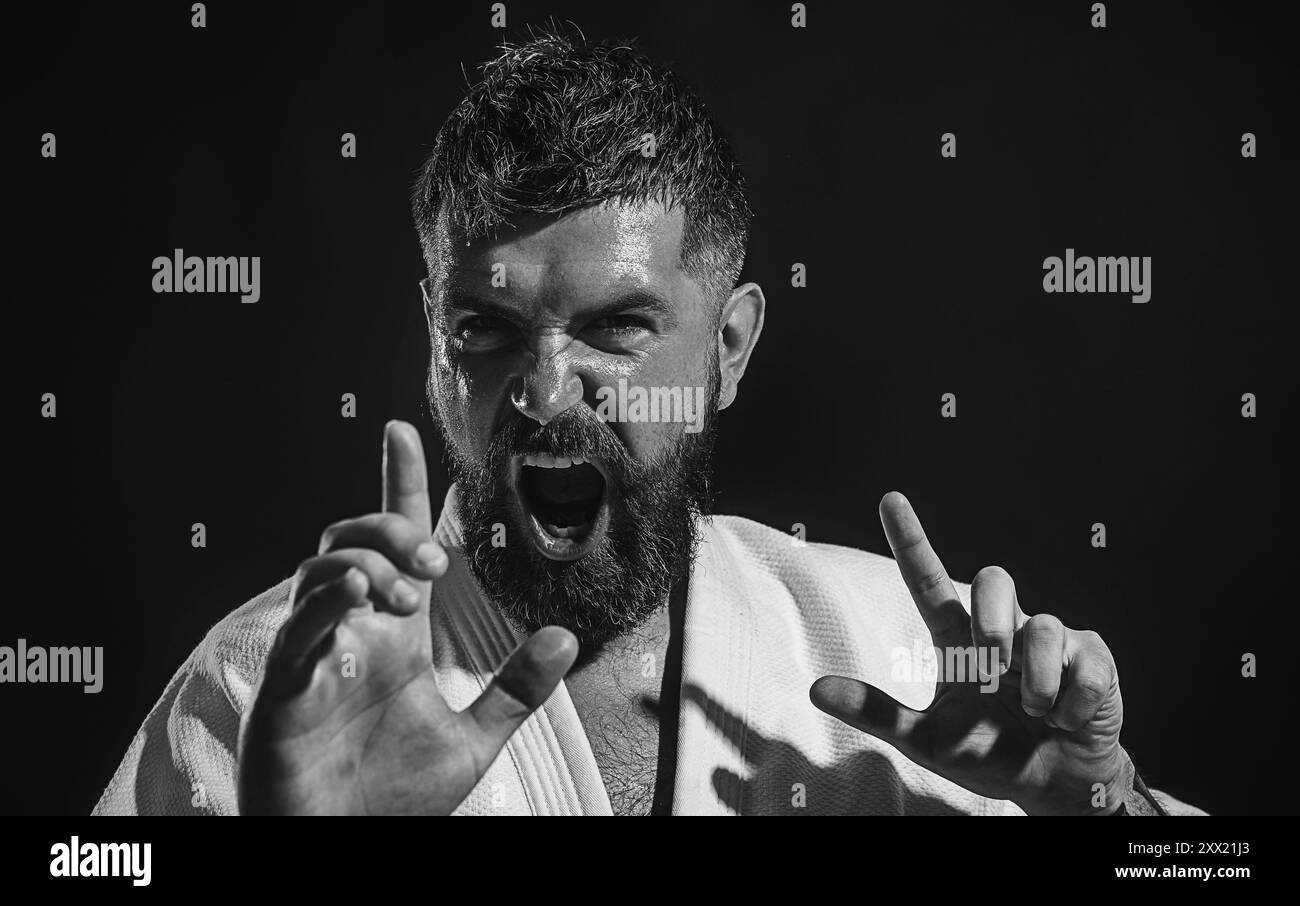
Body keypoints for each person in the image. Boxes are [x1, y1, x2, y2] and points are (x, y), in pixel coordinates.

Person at [94, 30, 1202, 816]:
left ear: (726, 348)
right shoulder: (266, 683)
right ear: (432, 351)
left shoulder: (899, 648)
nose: (541, 389)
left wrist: (1099, 805)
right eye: (483, 329)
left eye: (617, 326)